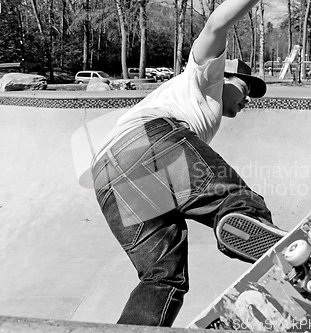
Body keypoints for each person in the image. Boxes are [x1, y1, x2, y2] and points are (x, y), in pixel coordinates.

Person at [91, 0, 286, 326]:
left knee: (162, 276)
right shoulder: (205, 77)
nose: (247, 99)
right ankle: (252, 229)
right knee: (234, 199)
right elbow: (216, 25)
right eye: (244, 87)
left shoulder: (191, 105)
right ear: (224, 75)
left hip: (107, 176)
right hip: (150, 143)